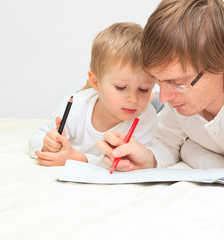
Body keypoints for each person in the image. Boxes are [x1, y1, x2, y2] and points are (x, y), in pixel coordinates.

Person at [96, 0, 224, 174]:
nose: (164, 98)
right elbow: (168, 141)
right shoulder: (181, 93)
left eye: (178, 83)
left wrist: (191, 151)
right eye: (158, 81)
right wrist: (147, 158)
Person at [28, 22, 157, 167]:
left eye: (144, 89)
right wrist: (47, 145)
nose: (133, 99)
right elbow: (35, 139)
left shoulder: (146, 118)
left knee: (160, 106)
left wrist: (78, 158)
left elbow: (131, 163)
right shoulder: (75, 106)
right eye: (121, 87)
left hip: (160, 108)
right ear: (95, 82)